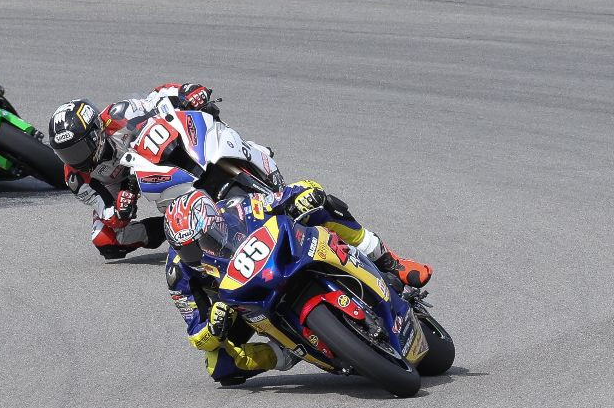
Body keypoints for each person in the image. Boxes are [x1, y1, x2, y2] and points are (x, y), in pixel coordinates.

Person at [164, 184, 431, 385]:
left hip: (275, 258)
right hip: (238, 301)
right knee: (218, 366)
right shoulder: (179, 273)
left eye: (202, 240)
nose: (197, 253)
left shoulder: (237, 208)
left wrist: (305, 194)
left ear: (216, 221)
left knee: (321, 207)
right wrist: (213, 326)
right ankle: (284, 352)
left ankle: (389, 261)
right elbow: (197, 335)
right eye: (188, 249)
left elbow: (287, 192)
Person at [47, 84, 222, 259]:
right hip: (120, 185)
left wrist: (185, 91)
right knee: (106, 240)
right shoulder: (75, 178)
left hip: (149, 153)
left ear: (95, 133)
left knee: (181, 122)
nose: (75, 159)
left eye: (78, 150)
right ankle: (174, 226)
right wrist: (119, 211)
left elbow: (156, 97)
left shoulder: (118, 114)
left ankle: (220, 164)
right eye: (66, 154)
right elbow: (104, 209)